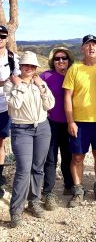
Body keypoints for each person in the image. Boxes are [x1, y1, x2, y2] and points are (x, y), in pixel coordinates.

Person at [4, 51, 55, 228]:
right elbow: (15, 105)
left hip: (42, 127)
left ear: (35, 68)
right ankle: (16, 210)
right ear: (21, 66)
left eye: (32, 66)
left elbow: (50, 105)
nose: (29, 68)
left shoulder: (39, 83)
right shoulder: (11, 84)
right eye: (26, 65)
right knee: (23, 170)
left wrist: (41, 87)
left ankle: (34, 201)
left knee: (37, 168)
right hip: (21, 129)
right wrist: (20, 86)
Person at [63, 34, 96, 208]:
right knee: (77, 157)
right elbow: (67, 97)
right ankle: (77, 191)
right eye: (87, 45)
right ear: (82, 48)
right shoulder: (74, 69)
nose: (91, 48)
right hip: (79, 121)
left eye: (94, 45)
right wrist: (70, 121)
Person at [40, 47, 75, 211]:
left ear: (69, 60)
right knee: (51, 158)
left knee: (68, 156)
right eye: (57, 59)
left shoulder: (74, 75)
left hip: (70, 122)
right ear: (52, 62)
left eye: (64, 58)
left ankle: (69, 185)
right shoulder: (45, 77)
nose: (61, 61)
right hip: (51, 123)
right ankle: (48, 192)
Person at [0, 25, 20, 198]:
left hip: (5, 107)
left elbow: (17, 77)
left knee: (0, 143)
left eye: (2, 35)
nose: (0, 38)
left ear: (7, 38)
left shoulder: (12, 57)